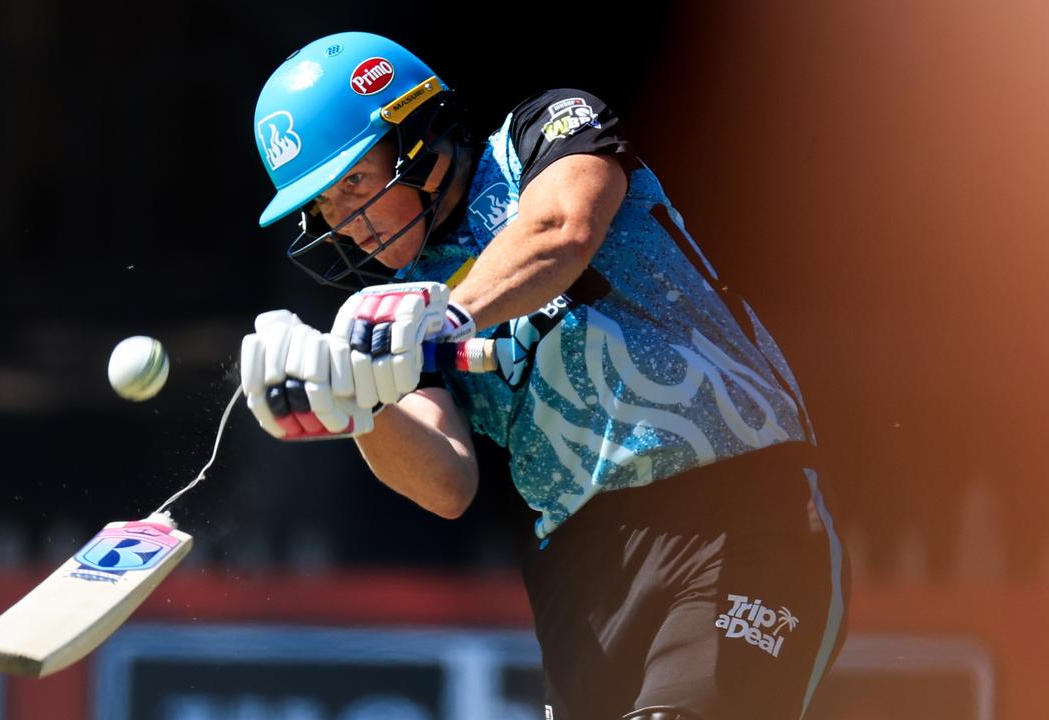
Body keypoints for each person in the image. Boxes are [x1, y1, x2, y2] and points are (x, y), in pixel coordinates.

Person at [239, 31, 849, 720]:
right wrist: (359, 402)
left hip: (737, 510)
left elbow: (562, 229)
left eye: (354, 182)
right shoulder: (398, 303)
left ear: (416, 138)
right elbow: (445, 482)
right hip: (581, 578)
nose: (346, 223)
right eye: (323, 207)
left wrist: (437, 318)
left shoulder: (545, 131)